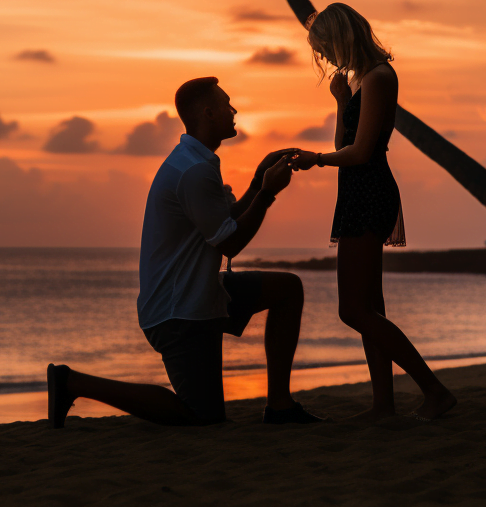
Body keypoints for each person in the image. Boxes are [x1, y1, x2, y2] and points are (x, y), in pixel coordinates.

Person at [47, 77, 323, 427]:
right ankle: (72, 382)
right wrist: (267, 194)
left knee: (287, 289)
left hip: (204, 294)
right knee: (200, 418)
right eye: (226, 103)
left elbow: (225, 222)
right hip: (178, 314)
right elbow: (230, 242)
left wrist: (257, 181)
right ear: (208, 113)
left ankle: (281, 407)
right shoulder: (193, 171)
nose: (234, 109)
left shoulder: (197, 162)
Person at [292, 4, 456, 421]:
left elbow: (362, 152)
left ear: (343, 36)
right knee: (370, 308)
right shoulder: (364, 79)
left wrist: (316, 159)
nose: (327, 57)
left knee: (354, 310)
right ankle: (383, 404)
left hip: (368, 192)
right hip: (357, 191)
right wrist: (342, 102)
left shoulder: (381, 77)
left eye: (326, 47)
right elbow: (346, 139)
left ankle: (434, 390)